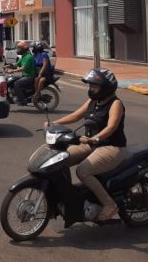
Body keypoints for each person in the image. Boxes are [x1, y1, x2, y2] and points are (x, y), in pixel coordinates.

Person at [45, 68, 126, 222]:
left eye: (94, 86)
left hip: (111, 147)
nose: (91, 89)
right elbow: (75, 115)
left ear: (106, 88)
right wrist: (54, 123)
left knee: (83, 171)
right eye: (90, 85)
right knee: (59, 160)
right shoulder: (93, 101)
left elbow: (111, 127)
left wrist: (95, 138)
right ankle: (68, 197)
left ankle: (109, 205)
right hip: (91, 144)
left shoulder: (115, 104)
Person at [6, 40, 36, 105]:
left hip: (29, 76)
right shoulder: (23, 56)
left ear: (23, 49)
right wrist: (7, 66)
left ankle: (23, 100)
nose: (17, 50)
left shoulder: (28, 57)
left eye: (19, 48)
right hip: (24, 76)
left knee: (17, 84)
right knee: (11, 80)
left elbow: (23, 68)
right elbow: (17, 64)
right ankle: (14, 96)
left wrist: (13, 71)